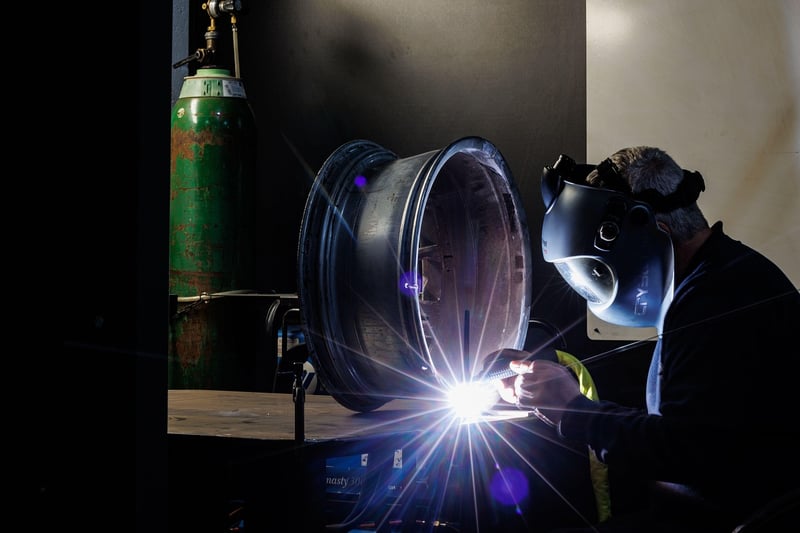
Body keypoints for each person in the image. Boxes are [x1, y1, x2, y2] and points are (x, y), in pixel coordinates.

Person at [497, 146, 800, 532]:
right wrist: (555, 400)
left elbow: (683, 452)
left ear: (646, 228)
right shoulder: (717, 278)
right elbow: (690, 429)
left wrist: (573, 410)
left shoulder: (718, 299)